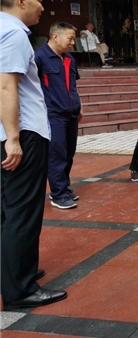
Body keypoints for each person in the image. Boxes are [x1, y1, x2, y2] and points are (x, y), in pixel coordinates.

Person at [1, 0, 67, 308]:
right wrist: (14, 139)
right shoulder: (13, 34)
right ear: (21, 1)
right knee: (23, 212)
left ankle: (13, 273)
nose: (44, 5)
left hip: (7, 130)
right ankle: (20, 290)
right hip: (21, 132)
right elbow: (6, 86)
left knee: (7, 210)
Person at [35, 22, 83, 210]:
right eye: (70, 38)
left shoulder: (70, 59)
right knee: (57, 153)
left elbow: (73, 85)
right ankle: (58, 194)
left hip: (71, 112)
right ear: (56, 36)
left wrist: (80, 105)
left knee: (69, 152)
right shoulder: (39, 58)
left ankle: (64, 187)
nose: (73, 42)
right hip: (53, 114)